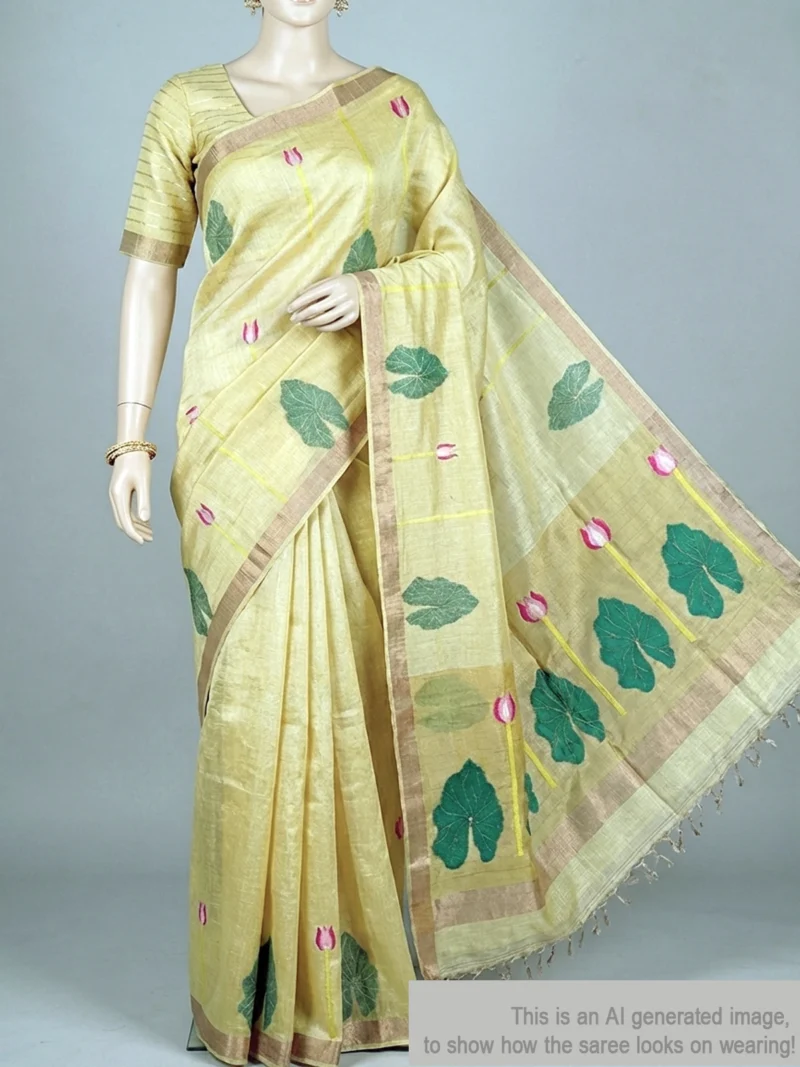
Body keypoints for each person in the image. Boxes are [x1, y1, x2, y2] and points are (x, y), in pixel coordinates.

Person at [108, 2, 800, 1065]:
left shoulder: (397, 108)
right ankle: (250, 990)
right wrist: (130, 439)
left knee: (350, 689)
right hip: (235, 438)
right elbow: (152, 267)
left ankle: (356, 982)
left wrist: (376, 291)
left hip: (361, 427)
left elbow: (457, 258)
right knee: (256, 698)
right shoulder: (186, 105)